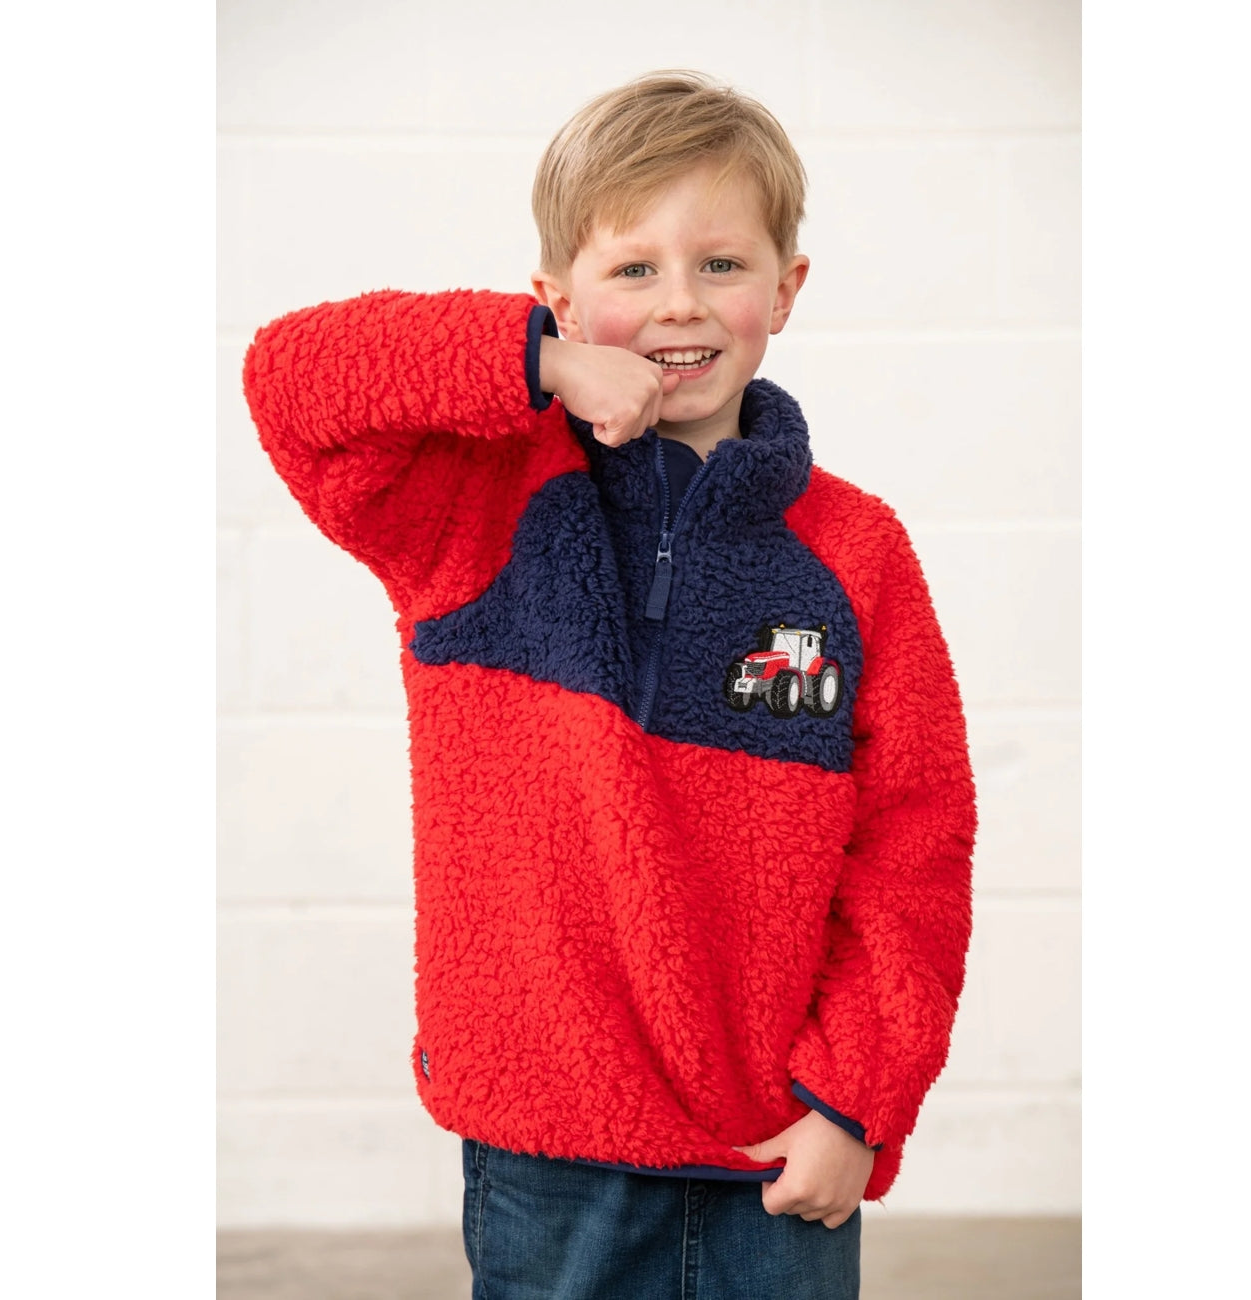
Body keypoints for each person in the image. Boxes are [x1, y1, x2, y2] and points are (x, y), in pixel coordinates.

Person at [242, 69, 976, 1300]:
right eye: (633, 269)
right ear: (561, 299)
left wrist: (858, 1097)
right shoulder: (472, 507)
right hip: (545, 1140)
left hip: (773, 1144)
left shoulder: (857, 552)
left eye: (720, 264)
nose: (680, 302)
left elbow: (916, 842)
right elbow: (293, 375)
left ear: (785, 289)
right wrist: (533, 366)